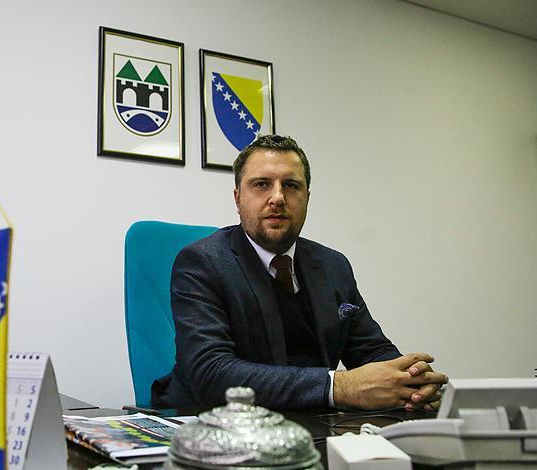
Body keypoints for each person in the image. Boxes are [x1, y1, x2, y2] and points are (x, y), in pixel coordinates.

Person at [151, 135, 447, 410]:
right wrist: (338, 386)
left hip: (310, 422)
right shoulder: (201, 263)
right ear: (237, 198)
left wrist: (410, 381)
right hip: (213, 423)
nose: (278, 197)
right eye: (261, 184)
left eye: (291, 185)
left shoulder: (333, 266)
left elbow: (370, 350)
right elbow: (210, 373)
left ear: (307, 197)